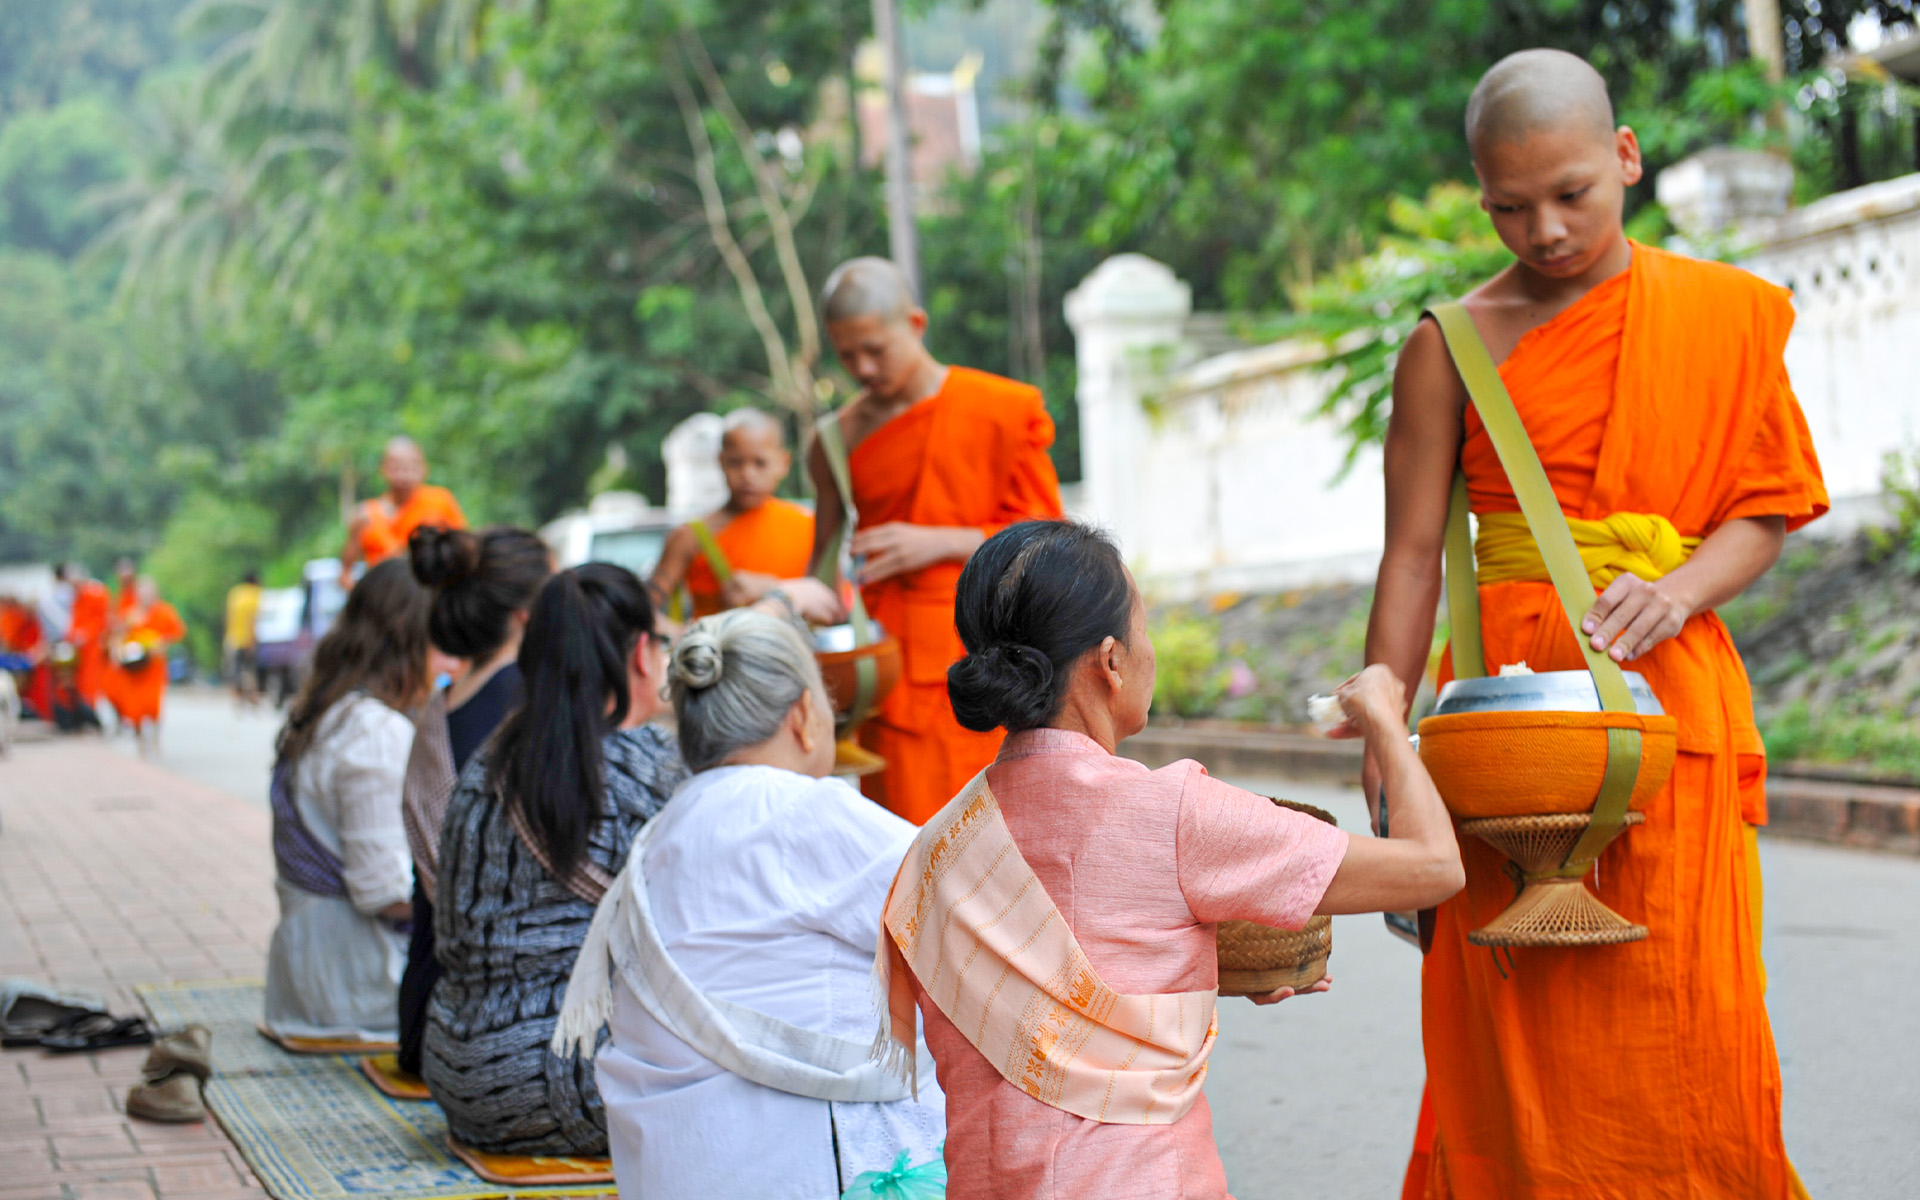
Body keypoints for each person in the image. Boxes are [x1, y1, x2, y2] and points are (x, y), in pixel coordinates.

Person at [1365, 51, 1827, 1200]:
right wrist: (1383, 731)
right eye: (1511, 208)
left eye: (1571, 194)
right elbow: (1412, 553)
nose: (1548, 231)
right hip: (1502, 728)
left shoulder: (1721, 317)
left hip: (1666, 702)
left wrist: (1680, 591)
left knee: (1693, 1016)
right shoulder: (1451, 345)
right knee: (1515, 1024)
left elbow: (1765, 510)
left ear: (1626, 157)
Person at [869, 520, 1463, 1200]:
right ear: (1112, 660)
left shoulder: (939, 846)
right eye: (1144, 629)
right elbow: (1434, 867)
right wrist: (1385, 718)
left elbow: (1046, 981)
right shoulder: (1176, 813)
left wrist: (1201, 970)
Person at [556, 608, 949, 1197]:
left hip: (673, 1175)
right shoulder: (802, 811)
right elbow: (973, 914)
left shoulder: (658, 839)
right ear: (803, 717)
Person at [423, 563, 685, 1157]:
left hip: (456, 1066)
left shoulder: (489, 760)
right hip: (571, 1076)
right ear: (641, 654)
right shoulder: (645, 767)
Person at [809, 257, 1065, 825]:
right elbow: (820, 567)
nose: (862, 368)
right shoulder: (835, 439)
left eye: (876, 349)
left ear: (916, 324)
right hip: (895, 675)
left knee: (1007, 837)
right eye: (846, 355)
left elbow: (1054, 541)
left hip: (996, 656)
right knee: (910, 843)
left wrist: (942, 542)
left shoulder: (1000, 410)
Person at [394, 525, 553, 1078]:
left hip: (426, 1011)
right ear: (527, 615)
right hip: (497, 1028)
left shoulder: (441, 708)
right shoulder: (528, 708)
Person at [263, 559, 431, 1042]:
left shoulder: (330, 710)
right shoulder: (375, 730)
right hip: (359, 987)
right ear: (410, 635)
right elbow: (384, 893)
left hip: (308, 979)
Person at [649, 410, 836, 622]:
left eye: (760, 463)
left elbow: (835, 607)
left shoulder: (809, 526)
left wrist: (772, 588)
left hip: (793, 641)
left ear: (784, 463)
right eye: (735, 463)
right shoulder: (689, 537)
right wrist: (677, 633)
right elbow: (643, 610)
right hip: (715, 642)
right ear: (721, 462)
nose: (748, 475)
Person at [341, 437, 467, 580]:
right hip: (382, 588)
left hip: (430, 585)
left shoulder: (440, 502)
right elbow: (345, 573)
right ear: (383, 468)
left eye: (411, 467)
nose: (404, 475)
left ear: (424, 468)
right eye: (397, 467)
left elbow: (463, 552)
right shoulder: (366, 514)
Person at [105, 577, 186, 754]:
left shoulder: (165, 612)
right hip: (134, 667)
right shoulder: (130, 614)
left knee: (153, 704)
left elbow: (176, 632)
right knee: (135, 706)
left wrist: (162, 643)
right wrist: (117, 652)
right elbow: (118, 635)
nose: (146, 596)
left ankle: (155, 736)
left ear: (156, 594)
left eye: (149, 593)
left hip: (154, 666)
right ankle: (140, 739)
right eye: (142, 593)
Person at [225, 571, 264, 710]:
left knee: (235, 670)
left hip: (232, 638)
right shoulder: (255, 594)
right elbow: (252, 619)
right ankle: (253, 696)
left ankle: (237, 698)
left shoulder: (235, 593)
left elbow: (228, 616)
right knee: (250, 670)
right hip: (247, 639)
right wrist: (252, 640)